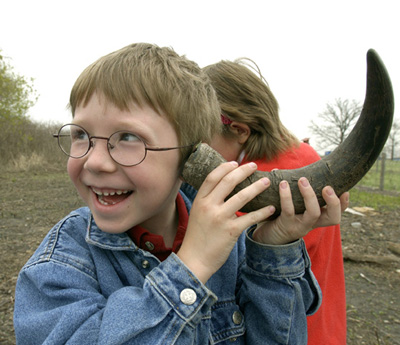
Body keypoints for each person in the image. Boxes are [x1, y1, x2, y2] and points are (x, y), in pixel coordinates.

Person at [14, 43, 348, 345]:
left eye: (128, 137)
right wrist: (191, 267)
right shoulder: (59, 266)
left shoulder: (237, 243)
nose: (95, 161)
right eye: (81, 134)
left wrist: (272, 250)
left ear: (193, 158)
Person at [203, 58, 347, 345]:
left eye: (199, 132)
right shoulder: (303, 156)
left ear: (240, 130)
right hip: (324, 326)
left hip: (292, 331)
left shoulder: (257, 187)